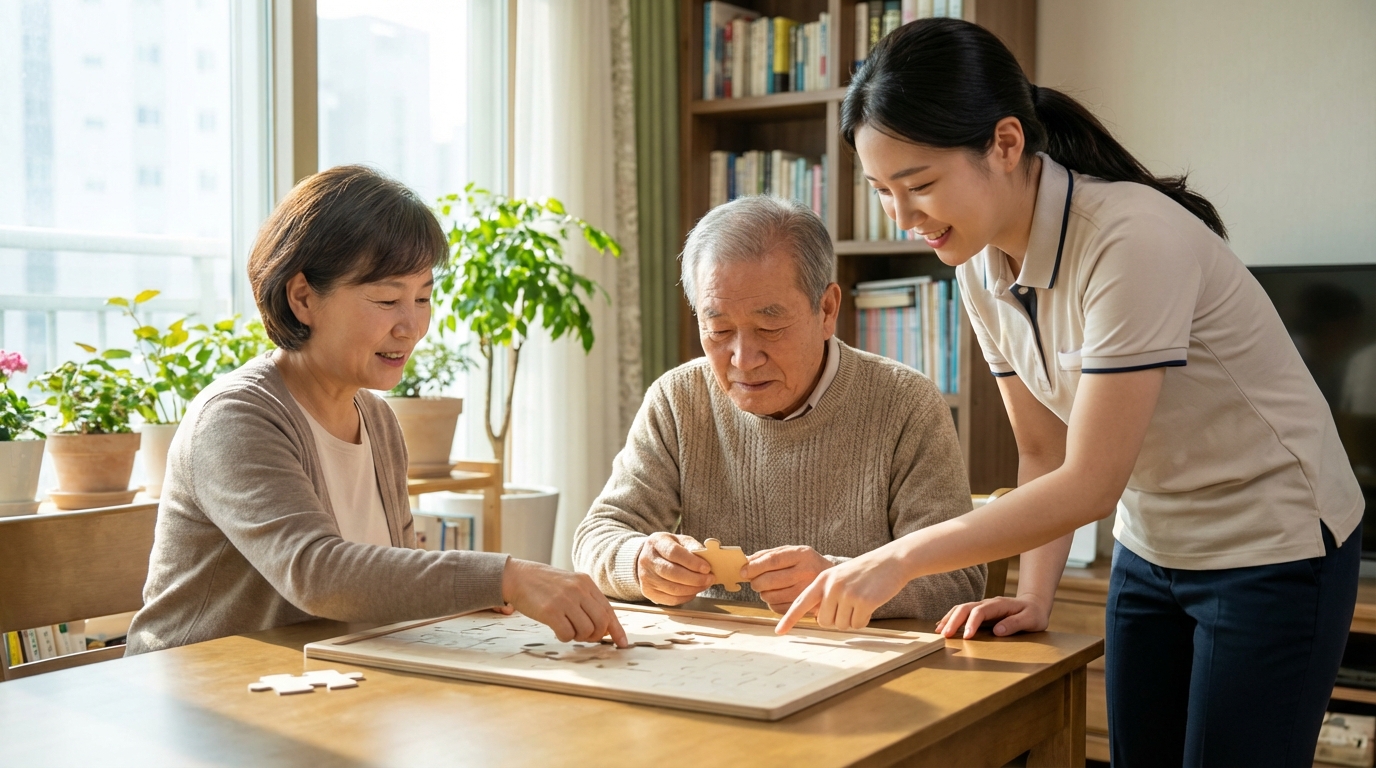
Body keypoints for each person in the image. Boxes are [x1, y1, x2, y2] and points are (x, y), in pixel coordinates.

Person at [776, 18, 1364, 767]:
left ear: (1006, 143)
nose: (903, 216)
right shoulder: (977, 267)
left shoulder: (1131, 238)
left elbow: (1090, 481)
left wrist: (897, 558)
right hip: (1152, 543)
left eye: (919, 185)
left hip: (1275, 544)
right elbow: (1043, 448)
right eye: (882, 191)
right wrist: (1036, 592)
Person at [127, 166, 626, 654]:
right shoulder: (235, 417)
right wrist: (504, 577)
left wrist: (473, 593)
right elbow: (315, 573)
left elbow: (386, 570)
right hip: (198, 689)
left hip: (323, 682)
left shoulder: (378, 420)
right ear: (303, 298)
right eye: (388, 300)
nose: (412, 327)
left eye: (423, 298)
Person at [573, 195, 985, 620]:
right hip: (714, 649)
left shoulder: (906, 404)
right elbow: (597, 536)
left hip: (853, 652)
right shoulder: (679, 398)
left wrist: (837, 580)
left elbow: (957, 579)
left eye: (769, 327)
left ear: (827, 310)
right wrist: (639, 562)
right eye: (718, 329)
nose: (743, 358)